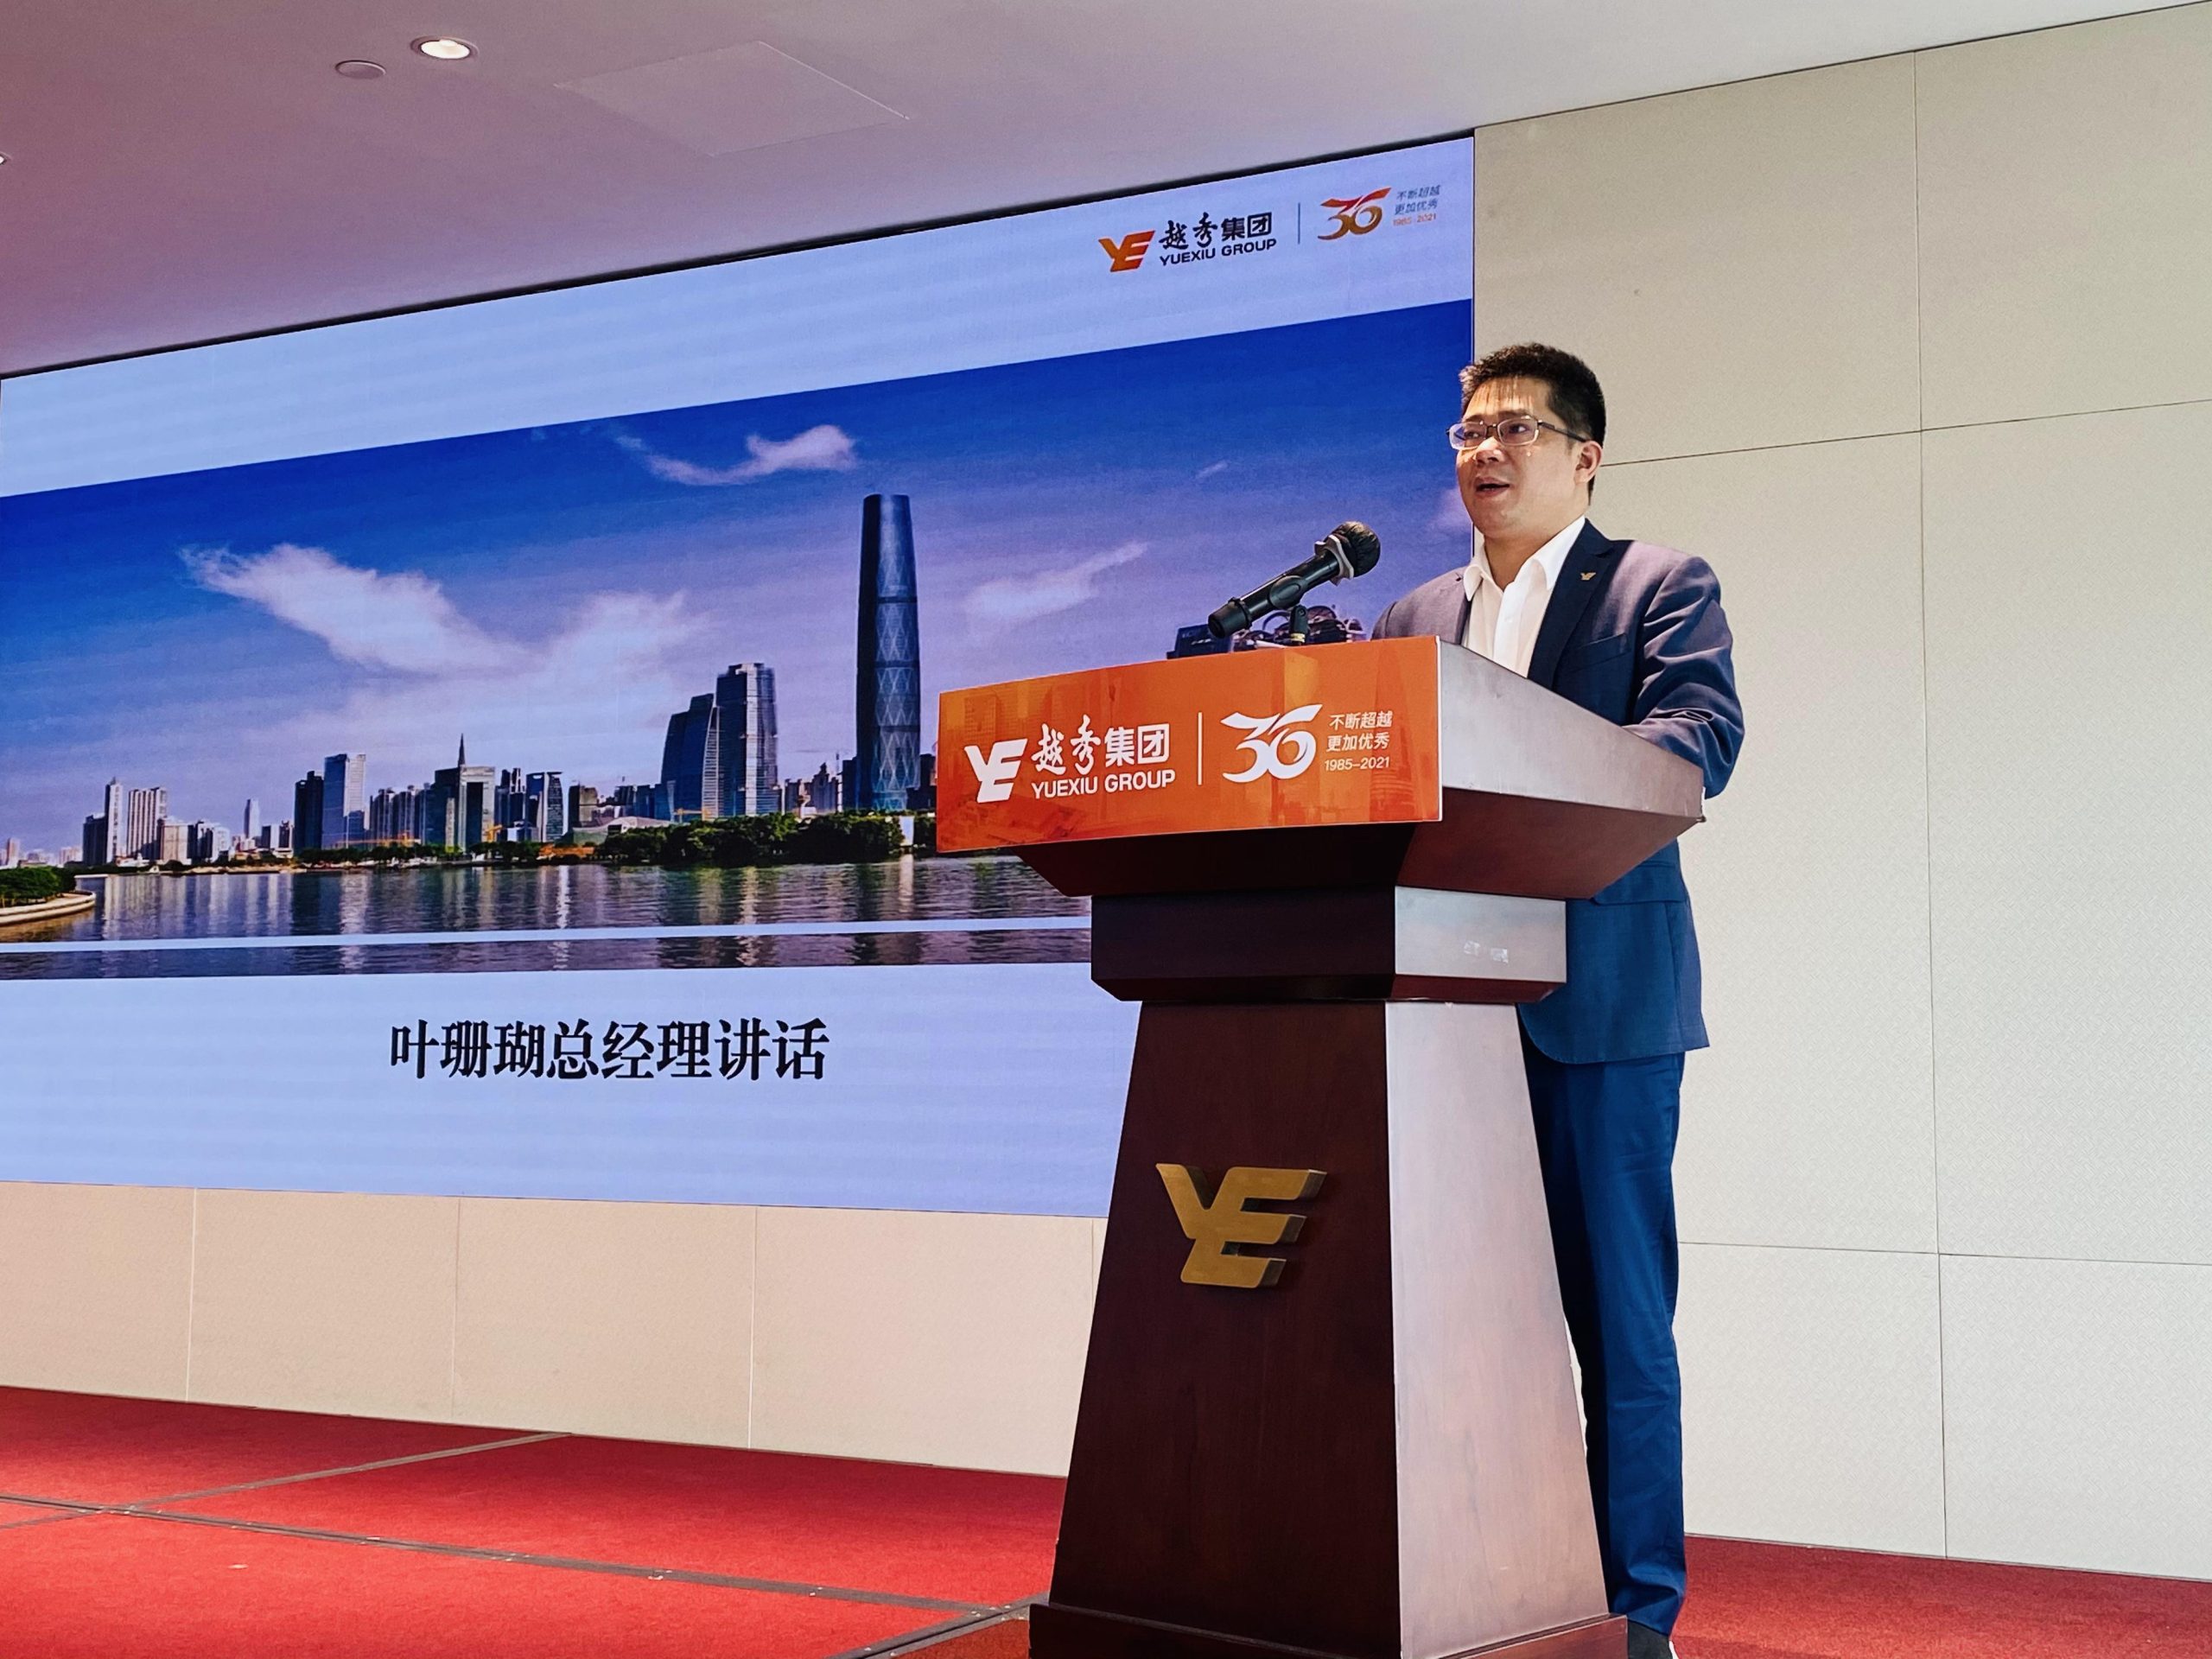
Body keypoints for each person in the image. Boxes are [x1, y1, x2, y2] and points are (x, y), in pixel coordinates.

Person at [1371, 342, 1743, 1659]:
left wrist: (1525, 783)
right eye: (1468, 432)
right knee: (1459, 1330)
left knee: (1619, 1330)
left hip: (1602, 1014)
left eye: (1516, 429)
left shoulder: (1657, 586)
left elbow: (1696, 742)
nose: (1485, 451)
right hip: (1438, 1021)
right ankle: (1485, 1595)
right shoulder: (1414, 615)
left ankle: (1637, 1616)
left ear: (1585, 457)